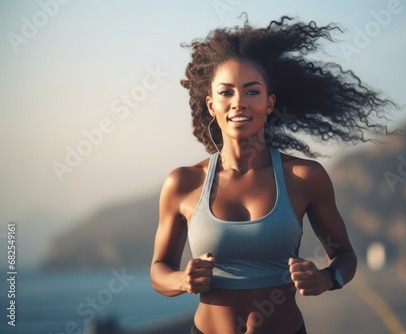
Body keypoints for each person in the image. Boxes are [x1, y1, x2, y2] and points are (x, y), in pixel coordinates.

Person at [150, 16, 393, 334]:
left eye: (252, 92)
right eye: (226, 93)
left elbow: (345, 256)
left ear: (269, 103)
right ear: (211, 105)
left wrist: (326, 278)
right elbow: (159, 270)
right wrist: (182, 279)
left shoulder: (304, 178)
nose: (238, 102)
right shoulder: (183, 184)